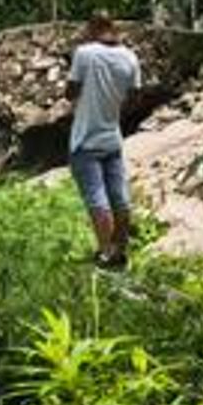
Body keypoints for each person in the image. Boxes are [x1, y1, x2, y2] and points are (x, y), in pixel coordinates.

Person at [65, 14, 140, 269]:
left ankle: (106, 254)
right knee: (120, 198)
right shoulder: (130, 58)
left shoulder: (85, 54)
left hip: (85, 139)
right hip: (112, 138)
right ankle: (121, 252)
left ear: (93, 28)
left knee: (97, 200)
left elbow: (70, 92)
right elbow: (134, 95)